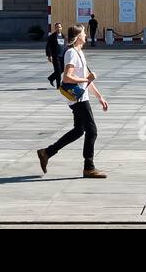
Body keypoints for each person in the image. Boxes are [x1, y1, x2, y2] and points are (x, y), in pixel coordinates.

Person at [37, 25, 108, 178]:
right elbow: (67, 77)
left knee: (78, 131)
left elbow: (88, 79)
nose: (86, 35)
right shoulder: (71, 53)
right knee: (92, 131)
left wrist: (99, 96)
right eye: (83, 33)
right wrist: (86, 79)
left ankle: (46, 152)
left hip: (81, 97)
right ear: (77, 36)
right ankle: (89, 167)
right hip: (78, 99)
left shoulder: (79, 52)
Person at [45, 22, 66, 87]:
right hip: (55, 56)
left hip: (62, 56)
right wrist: (49, 55)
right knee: (58, 70)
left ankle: (51, 78)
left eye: (59, 27)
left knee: (62, 69)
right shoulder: (52, 37)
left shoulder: (63, 36)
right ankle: (58, 85)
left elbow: (65, 46)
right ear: (55, 28)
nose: (58, 28)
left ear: (61, 28)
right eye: (57, 27)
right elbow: (48, 47)